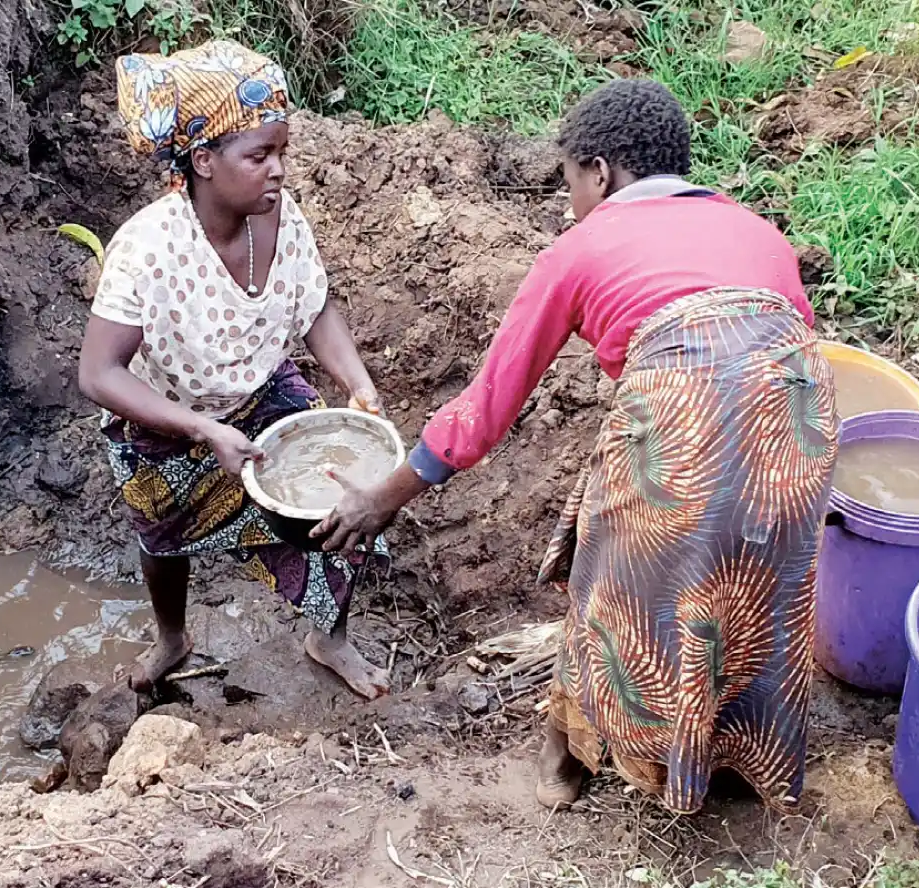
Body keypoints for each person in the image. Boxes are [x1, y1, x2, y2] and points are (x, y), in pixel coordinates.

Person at [313, 79, 839, 813]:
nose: (570, 202)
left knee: (607, 590)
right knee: (756, 587)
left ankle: (568, 753)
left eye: (569, 182)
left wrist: (386, 497)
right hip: (800, 425)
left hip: (683, 417)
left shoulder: (580, 247)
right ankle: (733, 761)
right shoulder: (760, 232)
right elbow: (790, 348)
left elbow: (485, 408)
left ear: (600, 171)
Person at [79, 40, 390, 699]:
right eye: (260, 156)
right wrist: (199, 428)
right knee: (163, 540)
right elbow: (101, 374)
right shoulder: (147, 247)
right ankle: (172, 637)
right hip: (162, 418)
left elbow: (316, 308)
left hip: (261, 394)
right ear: (204, 161)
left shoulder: (279, 216)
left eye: (282, 151)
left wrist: (358, 385)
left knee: (351, 501)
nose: (277, 171)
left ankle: (328, 636)